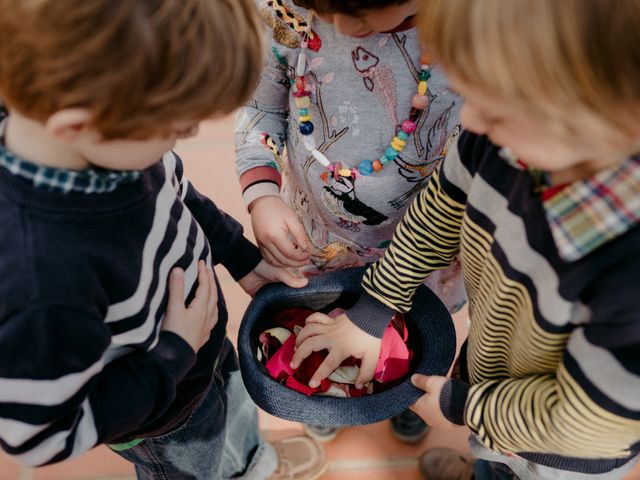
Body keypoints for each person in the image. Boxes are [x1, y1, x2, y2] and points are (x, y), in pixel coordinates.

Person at [290, 0, 640, 478]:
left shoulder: (627, 273)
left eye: (497, 109)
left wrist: (462, 406)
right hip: (497, 379)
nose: (470, 121)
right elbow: (440, 208)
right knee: (492, 463)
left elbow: (587, 423)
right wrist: (375, 309)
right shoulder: (501, 139)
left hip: (564, 456)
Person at [0, 1, 327, 478]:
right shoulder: (39, 279)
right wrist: (173, 352)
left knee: (230, 417)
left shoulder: (110, 143)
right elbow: (38, 435)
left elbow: (173, 190)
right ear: (74, 125)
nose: (188, 135)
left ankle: (249, 462)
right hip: (163, 416)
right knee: (202, 461)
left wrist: (238, 256)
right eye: (175, 127)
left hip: (195, 347)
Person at [235, 0, 465, 443]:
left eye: (357, 12)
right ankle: (320, 383)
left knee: (416, 332)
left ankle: (406, 387)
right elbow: (258, 108)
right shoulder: (290, 13)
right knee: (320, 319)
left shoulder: (472, 37)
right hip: (319, 239)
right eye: (320, 6)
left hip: (427, 254)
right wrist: (261, 194)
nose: (337, 24)